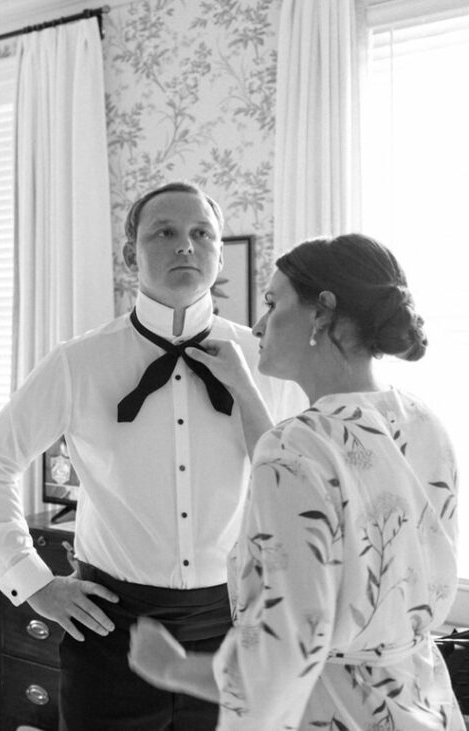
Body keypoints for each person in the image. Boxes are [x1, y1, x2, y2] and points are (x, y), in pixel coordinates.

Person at [0, 181, 305, 729]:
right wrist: (31, 580)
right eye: (165, 233)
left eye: (201, 234)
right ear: (130, 255)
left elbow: (294, 490)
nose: (185, 246)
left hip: (234, 626)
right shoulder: (78, 363)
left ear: (219, 252)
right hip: (109, 627)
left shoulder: (265, 361)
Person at [127, 233, 464, 729]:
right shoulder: (422, 422)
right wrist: (243, 387)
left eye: (272, 301)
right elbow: (331, 482)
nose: (260, 324)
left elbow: (281, 665)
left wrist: (173, 669)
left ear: (321, 312)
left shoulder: (296, 447)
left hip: (334, 712)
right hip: (421, 702)